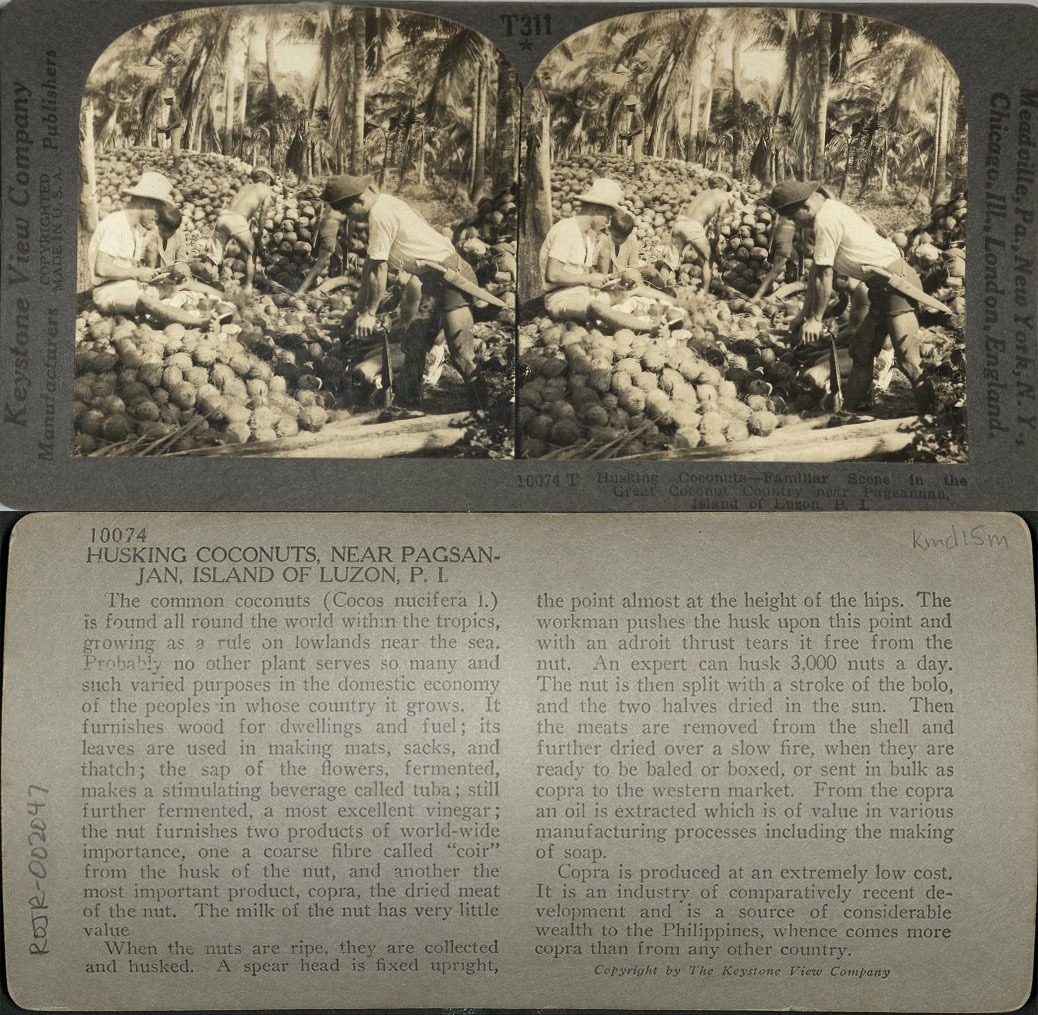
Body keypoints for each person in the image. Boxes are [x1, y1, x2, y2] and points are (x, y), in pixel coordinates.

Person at [322, 174, 489, 416]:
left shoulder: (380, 214)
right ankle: (409, 406)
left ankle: (483, 412)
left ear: (356, 201)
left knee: (461, 353)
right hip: (434, 280)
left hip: (453, 278)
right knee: (413, 345)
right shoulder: (384, 204)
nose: (353, 217)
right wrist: (358, 309)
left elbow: (379, 268)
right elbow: (370, 264)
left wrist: (369, 313)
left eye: (350, 211)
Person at [768, 179, 935, 416]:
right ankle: (846, 414)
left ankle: (931, 421)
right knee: (861, 353)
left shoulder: (825, 220)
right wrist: (804, 315)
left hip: (898, 285)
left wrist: (815, 319)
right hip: (880, 289)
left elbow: (824, 275)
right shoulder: (830, 210)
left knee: (909, 360)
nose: (796, 223)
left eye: (794, 218)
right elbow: (816, 269)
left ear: (805, 207)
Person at [87, 171, 209, 328]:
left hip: (129, 285)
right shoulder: (116, 224)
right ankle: (201, 323)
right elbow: (102, 269)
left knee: (175, 287)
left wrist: (158, 272)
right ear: (145, 204)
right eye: (157, 212)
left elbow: (129, 269)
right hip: (108, 291)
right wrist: (138, 273)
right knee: (146, 301)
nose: (157, 218)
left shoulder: (137, 230)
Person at [539, 178, 657, 334]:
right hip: (559, 297)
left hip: (581, 291)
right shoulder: (566, 230)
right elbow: (553, 275)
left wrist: (604, 283)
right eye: (608, 217)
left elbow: (581, 275)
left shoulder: (588, 236)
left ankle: (674, 307)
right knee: (597, 307)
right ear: (597, 210)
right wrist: (589, 279)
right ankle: (650, 328)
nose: (608, 223)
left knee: (628, 291)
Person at [667, 173, 734, 297]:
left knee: (670, 261)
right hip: (693, 226)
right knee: (709, 258)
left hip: (680, 222)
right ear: (724, 185)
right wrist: (717, 237)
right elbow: (719, 220)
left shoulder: (702, 193)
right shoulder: (724, 196)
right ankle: (704, 293)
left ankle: (663, 286)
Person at [209, 166, 275, 291]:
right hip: (237, 220)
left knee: (214, 255)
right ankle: (248, 287)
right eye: (270, 182)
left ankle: (208, 281)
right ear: (268, 179)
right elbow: (263, 214)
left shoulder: (245, 187)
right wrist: (260, 233)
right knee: (252, 252)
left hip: (223, 217)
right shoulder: (266, 189)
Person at [297, 203, 348, 295]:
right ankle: (301, 291)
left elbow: (320, 210)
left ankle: (336, 288)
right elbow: (347, 233)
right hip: (331, 226)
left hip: (322, 222)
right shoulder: (351, 202)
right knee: (321, 263)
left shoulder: (337, 197)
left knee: (339, 255)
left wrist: (316, 232)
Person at [751, 214, 797, 303]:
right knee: (777, 268)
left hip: (780, 232)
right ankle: (757, 296)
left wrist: (771, 243)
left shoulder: (784, 210)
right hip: (786, 234)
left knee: (782, 266)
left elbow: (775, 222)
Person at [155, 89, 185, 170]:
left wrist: (168, 129)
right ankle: (175, 166)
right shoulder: (173, 106)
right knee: (173, 148)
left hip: (177, 129)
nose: (164, 101)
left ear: (170, 99)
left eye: (166, 100)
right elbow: (175, 121)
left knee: (175, 148)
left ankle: (176, 169)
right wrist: (166, 128)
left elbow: (178, 121)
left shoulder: (174, 108)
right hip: (175, 129)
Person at [618, 95, 645, 178]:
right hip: (637, 136)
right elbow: (641, 125)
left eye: (629, 107)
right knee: (634, 154)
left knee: (636, 154)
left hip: (638, 136)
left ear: (633, 105)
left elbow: (640, 128)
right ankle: (635, 173)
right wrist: (629, 135)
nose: (628, 108)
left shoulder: (636, 114)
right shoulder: (636, 112)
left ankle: (636, 175)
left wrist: (629, 135)